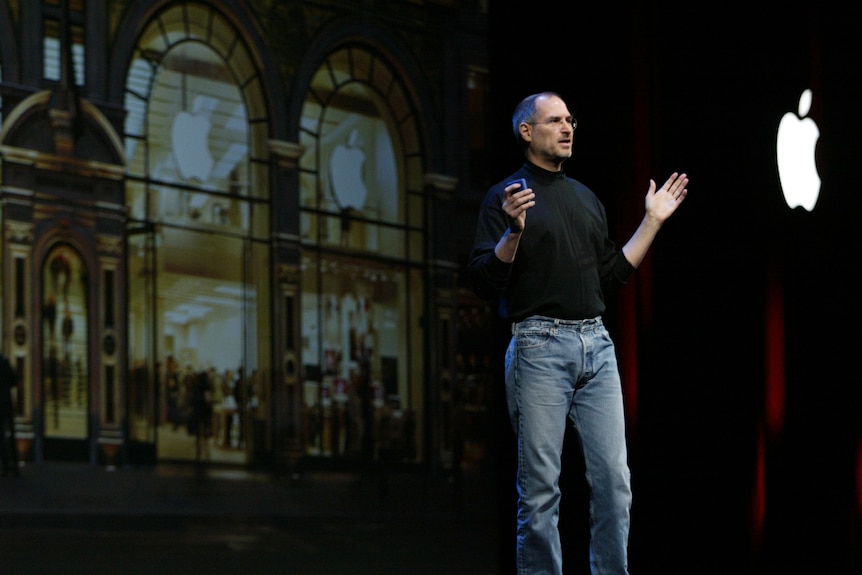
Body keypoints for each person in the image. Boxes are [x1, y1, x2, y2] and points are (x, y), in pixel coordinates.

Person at [466, 91, 689, 575]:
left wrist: (651, 222)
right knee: (542, 489)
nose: (567, 127)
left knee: (614, 482)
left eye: (570, 119)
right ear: (527, 131)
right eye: (554, 120)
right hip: (538, 347)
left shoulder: (586, 199)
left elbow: (611, 276)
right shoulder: (507, 197)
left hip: (597, 345)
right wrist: (513, 232)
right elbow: (485, 280)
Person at [0, 351, 20, 477]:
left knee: (1, 436)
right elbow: (14, 381)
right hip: (7, 403)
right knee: (11, 433)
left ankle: (6, 465)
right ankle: (15, 464)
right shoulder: (6, 363)